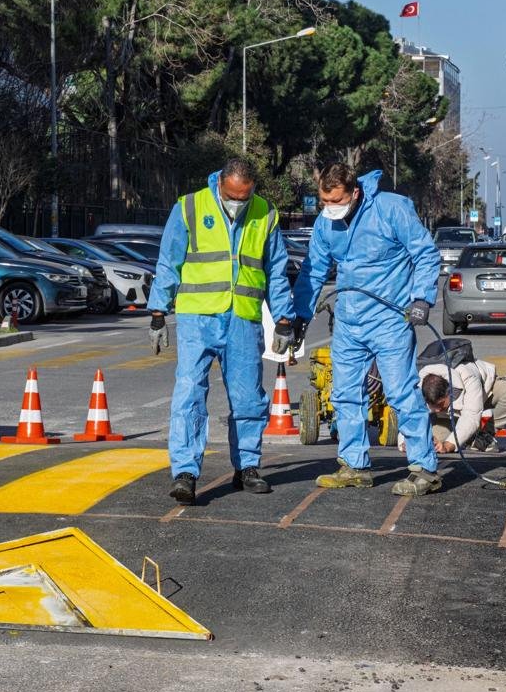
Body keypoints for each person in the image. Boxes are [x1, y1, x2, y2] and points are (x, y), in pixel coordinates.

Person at [147, 158, 295, 505]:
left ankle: (247, 467)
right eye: (231, 196)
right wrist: (157, 311)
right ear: (220, 185)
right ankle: (185, 472)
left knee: (248, 398)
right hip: (197, 319)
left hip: (242, 319)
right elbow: (169, 261)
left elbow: (275, 269)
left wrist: (284, 319)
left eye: (244, 197)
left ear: (253, 189)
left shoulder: (265, 214)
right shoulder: (189, 207)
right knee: (189, 395)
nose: (238, 203)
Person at [292, 164, 443, 496]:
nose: (329, 207)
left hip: (390, 319)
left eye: (336, 200)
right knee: (344, 394)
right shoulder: (325, 224)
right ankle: (354, 466)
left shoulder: (391, 209)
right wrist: (299, 316)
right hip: (348, 321)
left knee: (401, 393)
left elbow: (425, 253)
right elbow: (313, 271)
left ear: (354, 193)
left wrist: (422, 298)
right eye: (324, 201)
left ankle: (424, 469)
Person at [419, 361, 506, 454]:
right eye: (433, 405)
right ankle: (469, 437)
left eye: (440, 404)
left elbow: (470, 417)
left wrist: (448, 445)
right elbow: (409, 415)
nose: (437, 409)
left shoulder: (468, 376)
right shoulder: (416, 386)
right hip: (447, 416)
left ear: (450, 392)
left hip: (484, 394)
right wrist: (404, 442)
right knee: (432, 443)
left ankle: (483, 434)